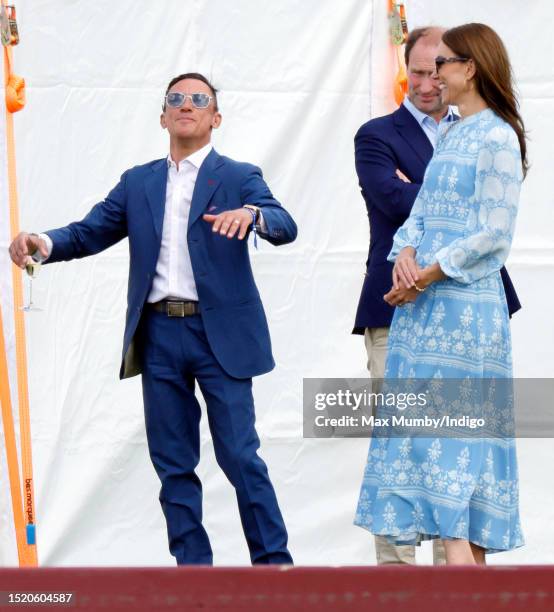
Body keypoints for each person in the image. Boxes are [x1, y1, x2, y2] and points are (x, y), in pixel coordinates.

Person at [9, 72, 296, 566]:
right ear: (163, 116)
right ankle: (193, 576)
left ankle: (274, 567)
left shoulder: (238, 176)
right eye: (176, 99)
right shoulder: (139, 181)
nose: (187, 105)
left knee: (240, 457)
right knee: (172, 463)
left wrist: (252, 216)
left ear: (215, 117)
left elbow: (283, 222)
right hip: (159, 334)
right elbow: (89, 231)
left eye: (199, 99)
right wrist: (45, 242)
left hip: (219, 335)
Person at [354, 22, 527, 565]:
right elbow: (418, 212)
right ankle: (445, 580)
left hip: (464, 313)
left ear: (469, 68)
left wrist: (428, 271)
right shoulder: (453, 134)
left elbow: (494, 233)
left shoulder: (498, 135)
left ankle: (458, 572)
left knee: (457, 446)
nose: (431, 77)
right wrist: (404, 254)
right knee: (422, 445)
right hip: (419, 317)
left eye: (442, 66)